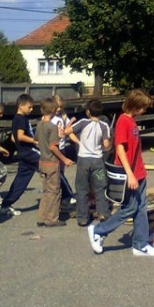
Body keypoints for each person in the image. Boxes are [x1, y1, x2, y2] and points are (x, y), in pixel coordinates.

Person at [87, 89, 154, 257]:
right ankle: (98, 230)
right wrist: (130, 173)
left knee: (141, 208)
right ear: (134, 106)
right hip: (129, 174)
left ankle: (140, 244)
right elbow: (119, 148)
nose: (144, 111)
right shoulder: (123, 121)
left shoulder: (132, 121)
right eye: (143, 107)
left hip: (138, 173)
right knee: (130, 208)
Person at [66, 99, 111, 227]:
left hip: (83, 160)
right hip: (98, 161)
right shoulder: (104, 125)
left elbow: (67, 132)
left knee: (82, 188)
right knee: (100, 187)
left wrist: (78, 142)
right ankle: (103, 213)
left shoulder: (83, 122)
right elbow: (107, 145)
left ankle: (82, 218)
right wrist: (101, 147)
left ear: (87, 112)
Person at [36, 98, 73, 227]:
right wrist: (65, 159)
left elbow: (38, 140)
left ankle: (42, 216)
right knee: (54, 191)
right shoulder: (52, 127)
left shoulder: (39, 124)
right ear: (52, 110)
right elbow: (53, 146)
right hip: (52, 162)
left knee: (46, 190)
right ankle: (51, 218)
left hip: (42, 161)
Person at [0, 94, 38, 217]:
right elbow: (20, 136)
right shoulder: (21, 119)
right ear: (21, 106)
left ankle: (6, 205)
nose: (31, 110)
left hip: (23, 153)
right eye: (29, 107)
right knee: (52, 167)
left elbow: (13, 137)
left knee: (21, 180)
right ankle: (67, 196)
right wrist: (34, 141)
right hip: (29, 152)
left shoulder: (17, 118)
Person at [51, 94, 76, 210]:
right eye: (57, 107)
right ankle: (67, 195)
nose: (59, 109)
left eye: (61, 107)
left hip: (62, 147)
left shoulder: (63, 117)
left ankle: (62, 198)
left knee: (61, 173)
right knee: (58, 175)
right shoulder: (51, 119)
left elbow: (67, 131)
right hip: (54, 148)